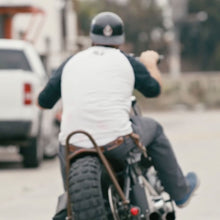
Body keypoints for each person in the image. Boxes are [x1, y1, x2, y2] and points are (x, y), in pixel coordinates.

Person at [37, 11, 199, 218]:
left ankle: (68, 205)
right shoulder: (126, 61)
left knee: (65, 149)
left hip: (72, 146)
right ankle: (180, 191)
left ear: (92, 38)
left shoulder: (71, 62)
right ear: (120, 41)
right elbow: (154, 89)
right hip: (116, 145)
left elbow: (43, 102)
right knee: (155, 129)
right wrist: (150, 62)